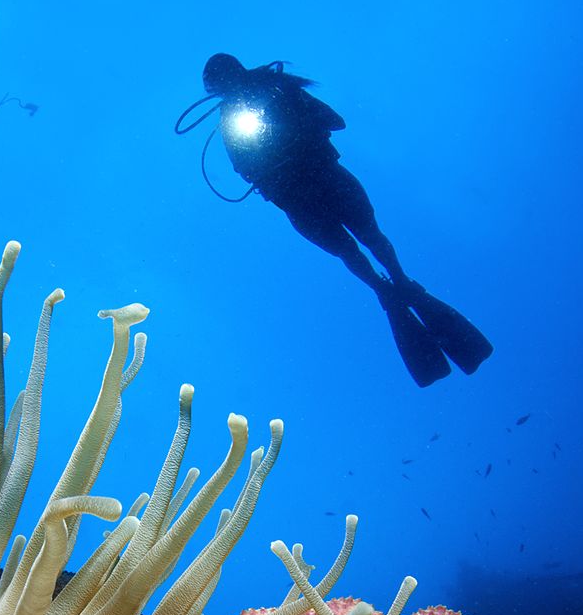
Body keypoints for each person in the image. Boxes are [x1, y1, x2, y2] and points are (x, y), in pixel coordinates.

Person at [196, 53, 492, 387]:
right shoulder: (231, 121)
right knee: (352, 249)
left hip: (325, 180)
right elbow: (244, 170)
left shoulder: (279, 87)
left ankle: (397, 283)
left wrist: (294, 123)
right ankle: (388, 290)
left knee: (368, 240)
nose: (229, 93)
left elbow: (335, 121)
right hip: (301, 200)